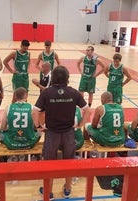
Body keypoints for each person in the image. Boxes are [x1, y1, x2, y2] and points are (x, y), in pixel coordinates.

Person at [32, 66, 91, 200]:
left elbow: (35, 111)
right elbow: (87, 110)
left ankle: (49, 191)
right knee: (69, 162)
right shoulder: (74, 93)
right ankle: (67, 189)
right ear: (67, 78)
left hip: (52, 133)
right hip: (69, 133)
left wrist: (38, 126)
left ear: (53, 78)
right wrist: (81, 125)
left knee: (49, 164)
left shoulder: (47, 93)